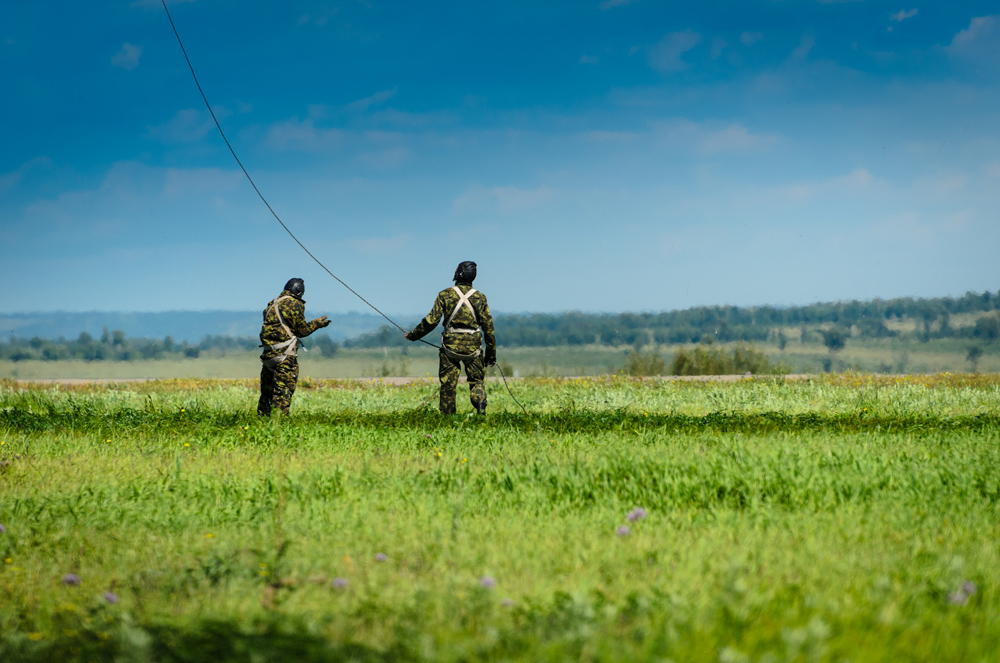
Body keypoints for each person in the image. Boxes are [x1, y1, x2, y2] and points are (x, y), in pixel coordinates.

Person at [405, 261, 496, 415]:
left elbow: (431, 321)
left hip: (450, 347)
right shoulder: (481, 298)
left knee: (448, 384)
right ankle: (481, 409)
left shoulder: (445, 295)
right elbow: (488, 328)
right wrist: (491, 355)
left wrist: (414, 335)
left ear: (458, 273)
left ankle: (448, 418)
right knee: (477, 382)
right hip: (474, 347)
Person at [257, 277, 330, 416]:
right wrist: (318, 324)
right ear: (298, 291)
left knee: (266, 393)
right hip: (285, 355)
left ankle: (261, 421)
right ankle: (280, 425)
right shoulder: (295, 304)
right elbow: (302, 331)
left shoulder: (271, 304)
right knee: (283, 392)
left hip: (268, 355)